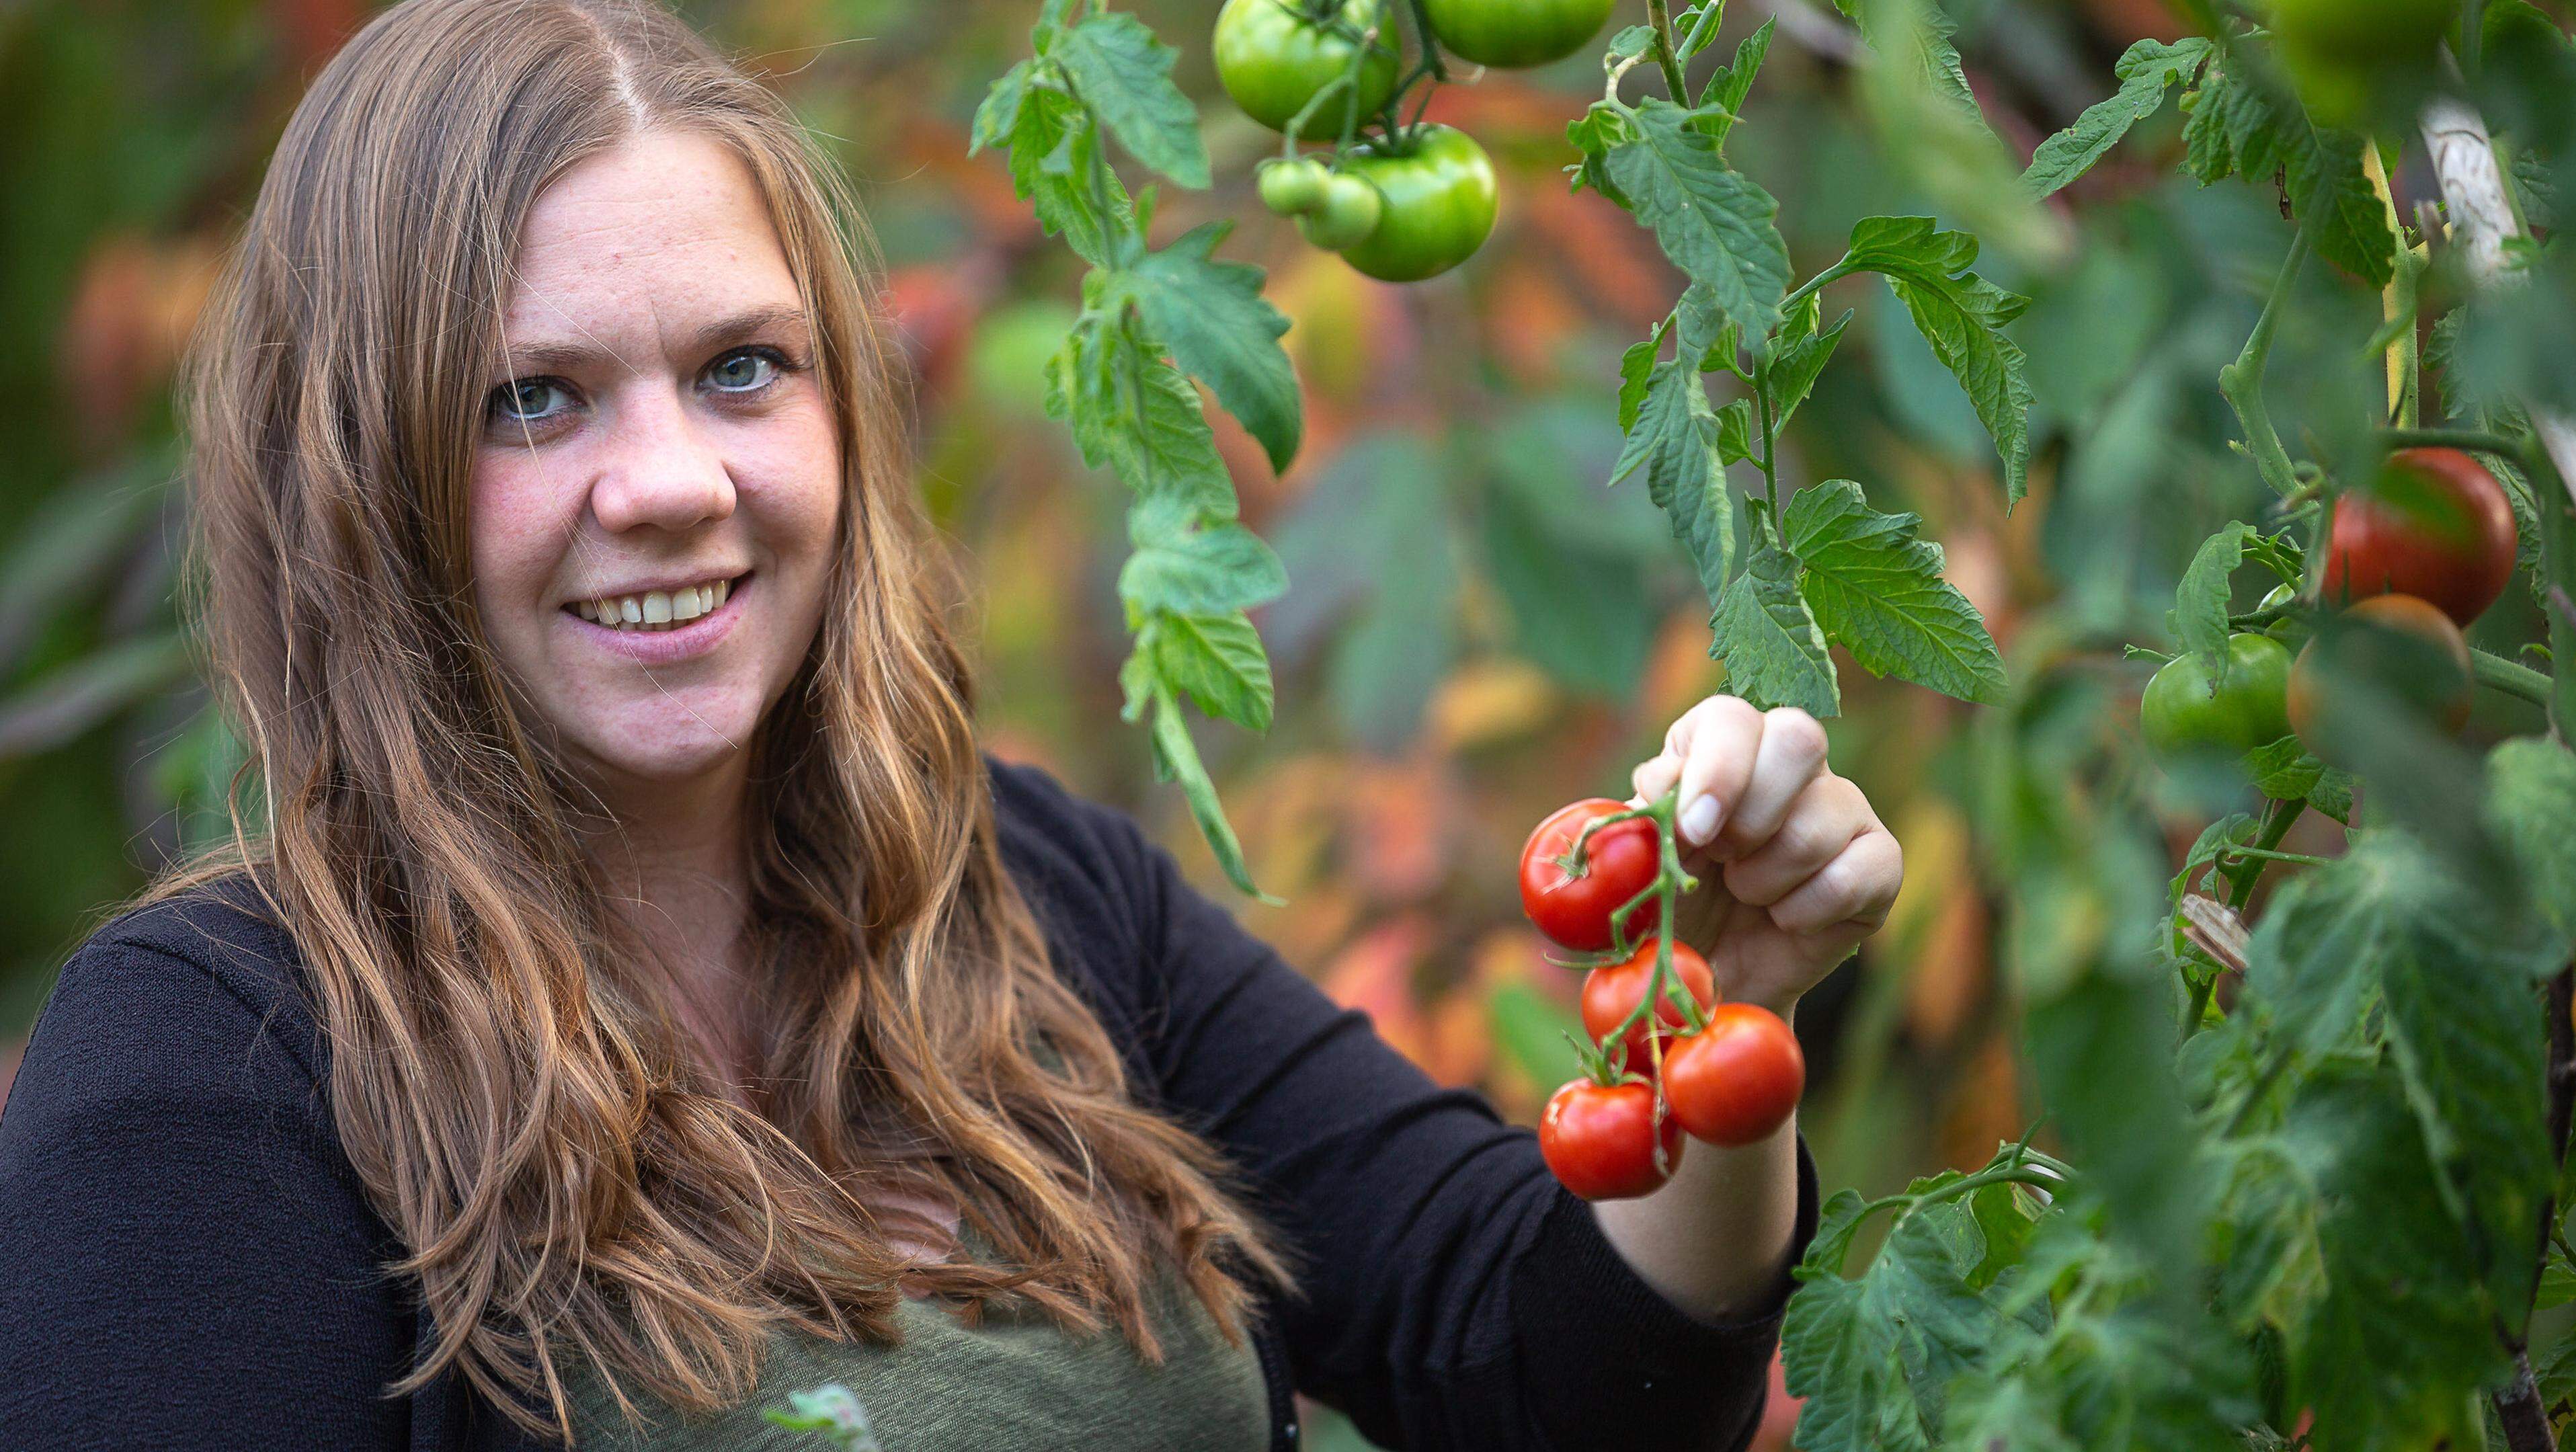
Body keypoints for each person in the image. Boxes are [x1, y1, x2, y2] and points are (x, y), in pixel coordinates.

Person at [0, 1, 1901, 1448]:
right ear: (357, 479)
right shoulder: (220, 1061)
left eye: (741, 368)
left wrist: (1714, 1022)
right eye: (532, 400)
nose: (670, 481)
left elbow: (1546, 1369)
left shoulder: (1027, 892)